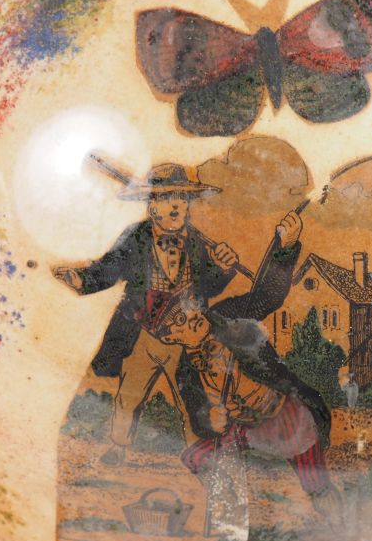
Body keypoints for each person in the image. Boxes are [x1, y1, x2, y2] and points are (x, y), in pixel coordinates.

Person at [151, 211, 349, 531]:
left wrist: (286, 247)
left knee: (315, 480)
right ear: (169, 337)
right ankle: (232, 510)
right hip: (243, 429)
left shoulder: (227, 316)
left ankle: (338, 527)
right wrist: (209, 420)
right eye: (179, 321)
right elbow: (198, 417)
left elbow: (267, 296)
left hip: (284, 415)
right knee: (196, 457)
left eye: (187, 307)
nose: (191, 317)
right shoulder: (187, 372)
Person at [53, 163, 239, 465]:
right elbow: (110, 269)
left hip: (185, 337)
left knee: (190, 393)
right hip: (144, 332)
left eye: (180, 198)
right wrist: (81, 280)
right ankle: (118, 446)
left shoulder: (197, 243)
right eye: (164, 198)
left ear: (188, 204)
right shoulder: (136, 237)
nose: (174, 205)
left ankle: (200, 448)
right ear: (151, 207)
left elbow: (211, 285)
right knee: (130, 391)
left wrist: (225, 267)